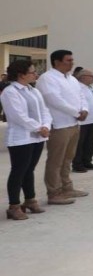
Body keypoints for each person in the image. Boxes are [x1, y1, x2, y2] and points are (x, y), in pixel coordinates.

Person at [36, 49, 89, 205]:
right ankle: (54, 192)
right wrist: (76, 112)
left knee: (67, 159)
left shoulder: (71, 79)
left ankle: (67, 187)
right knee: (56, 160)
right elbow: (54, 100)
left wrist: (84, 109)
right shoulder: (48, 78)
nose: (72, 63)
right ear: (57, 62)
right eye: (68, 60)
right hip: (59, 124)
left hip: (73, 124)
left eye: (72, 60)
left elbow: (81, 96)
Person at [1, 60, 51, 220]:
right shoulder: (10, 92)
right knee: (18, 170)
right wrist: (39, 128)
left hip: (37, 137)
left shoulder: (33, 90)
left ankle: (30, 200)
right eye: (32, 72)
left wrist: (46, 125)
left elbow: (44, 110)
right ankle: (13, 206)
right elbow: (17, 116)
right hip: (21, 138)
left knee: (29, 170)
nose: (36, 74)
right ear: (21, 74)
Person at [73, 69, 93, 172]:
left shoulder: (91, 88)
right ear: (83, 77)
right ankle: (77, 164)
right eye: (91, 76)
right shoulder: (77, 87)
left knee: (90, 143)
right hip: (83, 120)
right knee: (80, 143)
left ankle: (87, 161)